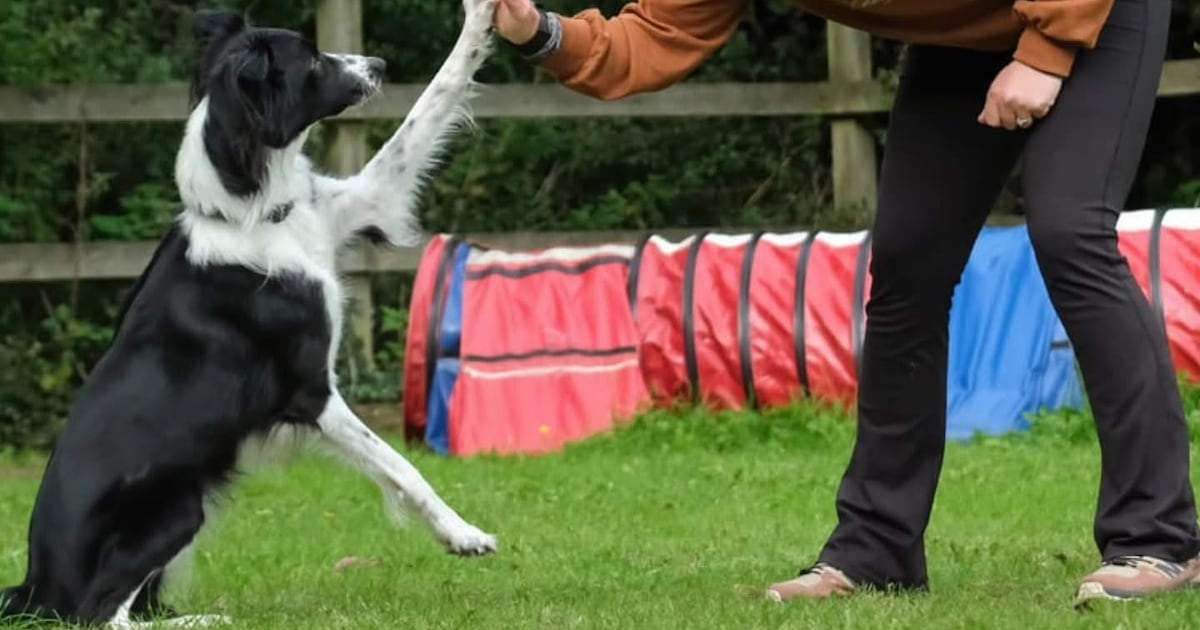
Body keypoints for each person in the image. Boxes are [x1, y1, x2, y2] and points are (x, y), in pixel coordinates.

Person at [491, 0, 1200, 607]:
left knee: (1069, 232)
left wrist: (1046, 52)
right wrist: (536, 30)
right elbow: (646, 41)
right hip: (964, 39)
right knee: (908, 262)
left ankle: (1159, 540)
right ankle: (877, 550)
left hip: (1095, 14)